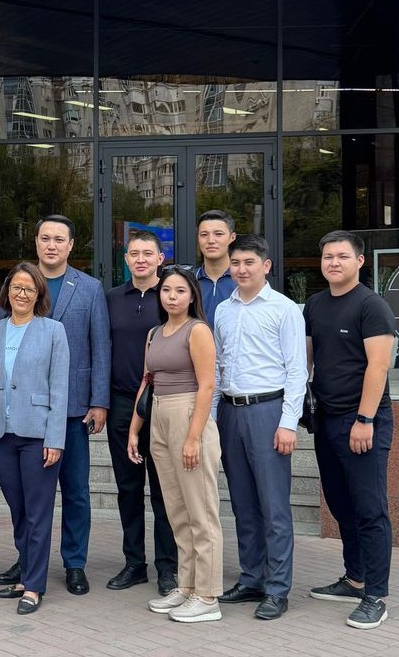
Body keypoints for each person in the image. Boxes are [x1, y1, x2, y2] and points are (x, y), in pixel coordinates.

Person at [0, 214, 110, 597]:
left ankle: (74, 563)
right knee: (27, 495)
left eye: (59, 239)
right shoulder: (18, 283)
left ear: (71, 245)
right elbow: (0, 343)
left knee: (75, 490)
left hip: (73, 409)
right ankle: (28, 559)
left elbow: (100, 346)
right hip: (23, 412)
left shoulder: (89, 288)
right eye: (45, 238)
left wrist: (99, 401)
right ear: (36, 242)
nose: (51, 245)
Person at [305, 230, 395, 630]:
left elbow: (379, 366)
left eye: (342, 256)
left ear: (359, 261)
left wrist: (365, 419)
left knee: (370, 509)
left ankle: (375, 595)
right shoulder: (315, 304)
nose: (334, 262)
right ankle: (354, 578)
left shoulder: (372, 306)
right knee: (341, 504)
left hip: (362, 421)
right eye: (328, 256)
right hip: (326, 419)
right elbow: (307, 360)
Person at [214, 234, 307, 621]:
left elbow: (297, 370)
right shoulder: (223, 310)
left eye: (249, 262)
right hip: (230, 412)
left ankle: (277, 588)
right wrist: (212, 418)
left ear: (266, 266)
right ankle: (251, 578)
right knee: (243, 504)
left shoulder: (284, 309)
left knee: (273, 506)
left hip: (268, 412)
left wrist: (288, 423)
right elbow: (218, 368)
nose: (241, 269)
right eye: (235, 263)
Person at [0, 262, 69, 615]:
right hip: (0, 435)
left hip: (37, 435)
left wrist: (55, 438)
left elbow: (59, 389)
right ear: (7, 292)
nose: (22, 294)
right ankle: (26, 573)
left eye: (29, 288)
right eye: (16, 288)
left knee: (38, 513)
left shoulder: (53, 331)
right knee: (19, 511)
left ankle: (34, 586)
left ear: (39, 293)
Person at [128, 265, 223, 623]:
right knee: (177, 512)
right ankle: (187, 585)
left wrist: (193, 437)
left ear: (192, 295)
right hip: (159, 417)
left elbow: (207, 385)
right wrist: (134, 430)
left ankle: (208, 596)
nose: (172, 296)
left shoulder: (197, 330)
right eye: (167, 290)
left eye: (180, 291)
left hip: (188, 415)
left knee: (201, 512)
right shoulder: (154, 333)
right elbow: (147, 380)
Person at [104, 230, 178, 595]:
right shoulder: (111, 298)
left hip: (164, 402)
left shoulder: (172, 295)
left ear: (160, 259)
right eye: (134, 253)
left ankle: (168, 567)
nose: (141, 259)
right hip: (121, 403)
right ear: (126, 258)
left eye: (148, 253)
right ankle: (134, 563)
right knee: (128, 488)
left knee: (165, 490)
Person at [194, 210, 237, 326]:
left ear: (232, 237)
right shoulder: (189, 281)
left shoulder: (243, 280)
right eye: (204, 235)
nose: (211, 241)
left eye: (218, 234)